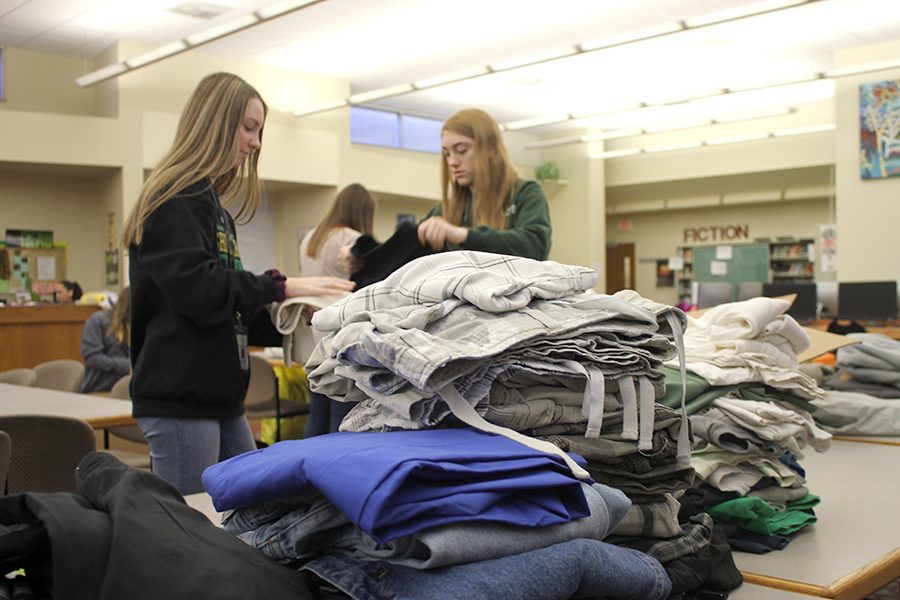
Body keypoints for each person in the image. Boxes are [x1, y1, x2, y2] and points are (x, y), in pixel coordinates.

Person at [120, 72, 355, 495]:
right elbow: (200, 291)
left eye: (259, 130)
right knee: (189, 531)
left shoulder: (213, 208)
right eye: (248, 127)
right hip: (182, 398)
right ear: (215, 122)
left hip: (219, 396)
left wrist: (284, 314)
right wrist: (280, 286)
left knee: (245, 512)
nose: (255, 142)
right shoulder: (177, 199)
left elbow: (225, 310)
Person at [417, 107, 552, 260]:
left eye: (461, 150)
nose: (452, 162)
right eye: (447, 154)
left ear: (491, 148)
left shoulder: (526, 194)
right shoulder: (444, 210)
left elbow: (535, 246)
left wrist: (463, 235)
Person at [299, 183, 376, 437]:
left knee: (318, 411)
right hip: (342, 335)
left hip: (315, 336)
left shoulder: (310, 238)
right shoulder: (353, 240)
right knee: (342, 415)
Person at [79, 287, 131, 394]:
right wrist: (128, 366)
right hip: (101, 389)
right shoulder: (98, 321)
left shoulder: (146, 324)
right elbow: (92, 357)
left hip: (133, 390)